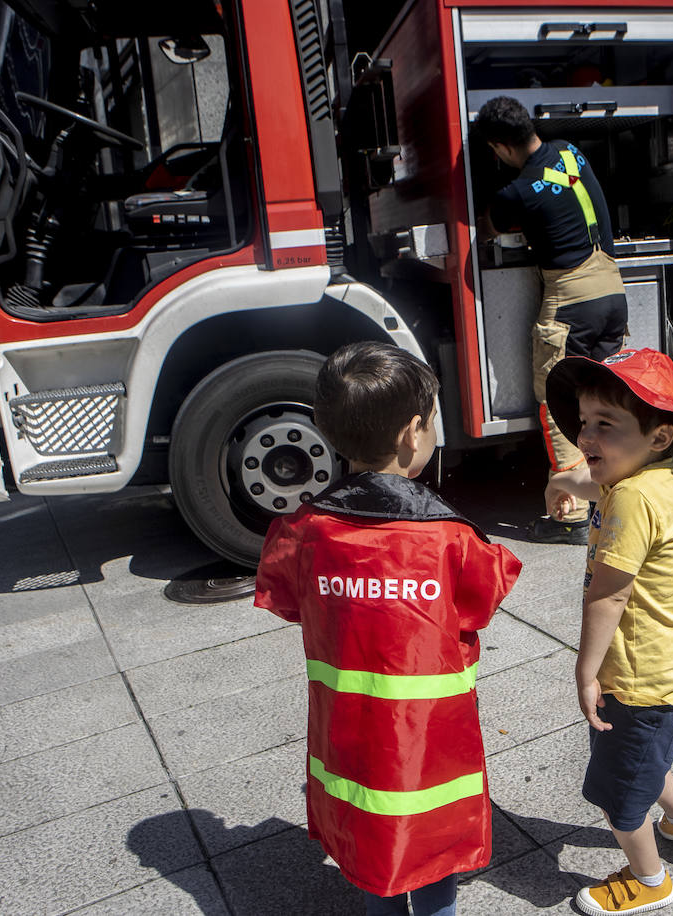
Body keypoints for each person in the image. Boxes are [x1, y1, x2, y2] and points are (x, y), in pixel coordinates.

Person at [254, 341, 522, 916]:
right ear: (412, 433)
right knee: (433, 844)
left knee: (368, 838)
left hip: (348, 735)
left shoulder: (304, 531)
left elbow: (290, 600)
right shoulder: (449, 538)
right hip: (428, 742)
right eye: (433, 420)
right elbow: (484, 596)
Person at [542, 348, 673, 915]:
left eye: (605, 425)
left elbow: (609, 595)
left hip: (635, 684)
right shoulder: (649, 478)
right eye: (584, 421)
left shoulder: (634, 498)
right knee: (644, 760)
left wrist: (585, 672)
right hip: (664, 678)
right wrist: (562, 481)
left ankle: (649, 879)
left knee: (619, 795)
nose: (586, 436)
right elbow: (593, 483)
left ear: (659, 436)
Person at [475, 95, 628, 545]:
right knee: (607, 399)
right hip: (613, 292)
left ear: (500, 147)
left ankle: (570, 516)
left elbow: (489, 225)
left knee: (559, 401)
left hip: (571, 302)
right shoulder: (569, 151)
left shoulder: (517, 191)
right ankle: (616, 494)